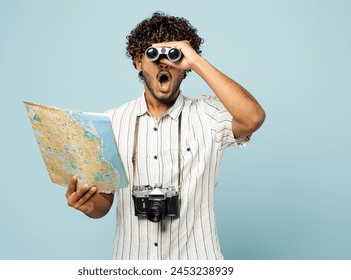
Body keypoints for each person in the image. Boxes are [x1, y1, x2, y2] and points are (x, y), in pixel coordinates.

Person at [65, 11, 265, 260]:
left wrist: (196, 61)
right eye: (152, 54)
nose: (163, 63)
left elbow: (253, 117)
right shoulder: (111, 123)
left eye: (173, 55)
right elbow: (103, 203)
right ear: (138, 61)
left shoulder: (208, 116)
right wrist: (88, 205)